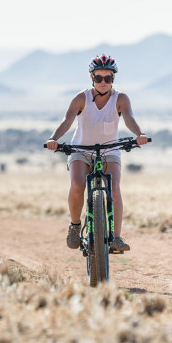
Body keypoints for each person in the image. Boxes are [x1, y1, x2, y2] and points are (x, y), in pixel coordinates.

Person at [44, 55, 149, 253]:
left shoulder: (121, 99)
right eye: (98, 78)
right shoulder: (81, 98)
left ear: (113, 79)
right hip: (81, 150)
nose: (103, 82)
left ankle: (116, 238)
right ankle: (75, 226)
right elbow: (67, 121)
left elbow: (129, 119)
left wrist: (139, 134)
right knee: (77, 186)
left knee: (115, 189)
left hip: (109, 151)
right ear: (92, 78)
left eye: (107, 78)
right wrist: (53, 139)